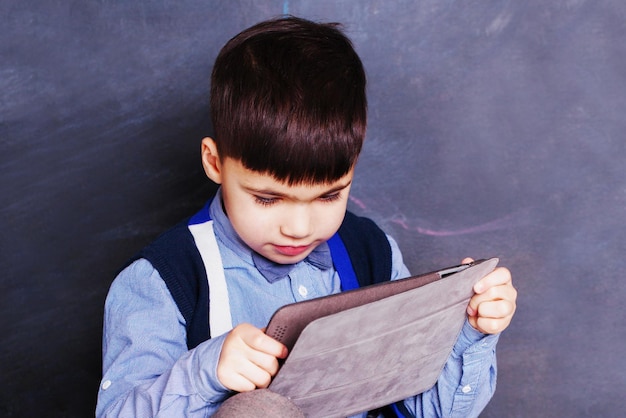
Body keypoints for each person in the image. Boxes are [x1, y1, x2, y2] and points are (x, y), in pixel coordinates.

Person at [96, 16, 517, 418]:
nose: (299, 228)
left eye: (329, 195)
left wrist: (468, 332)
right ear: (214, 162)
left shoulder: (372, 252)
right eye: (267, 198)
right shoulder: (162, 281)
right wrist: (206, 372)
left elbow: (428, 412)